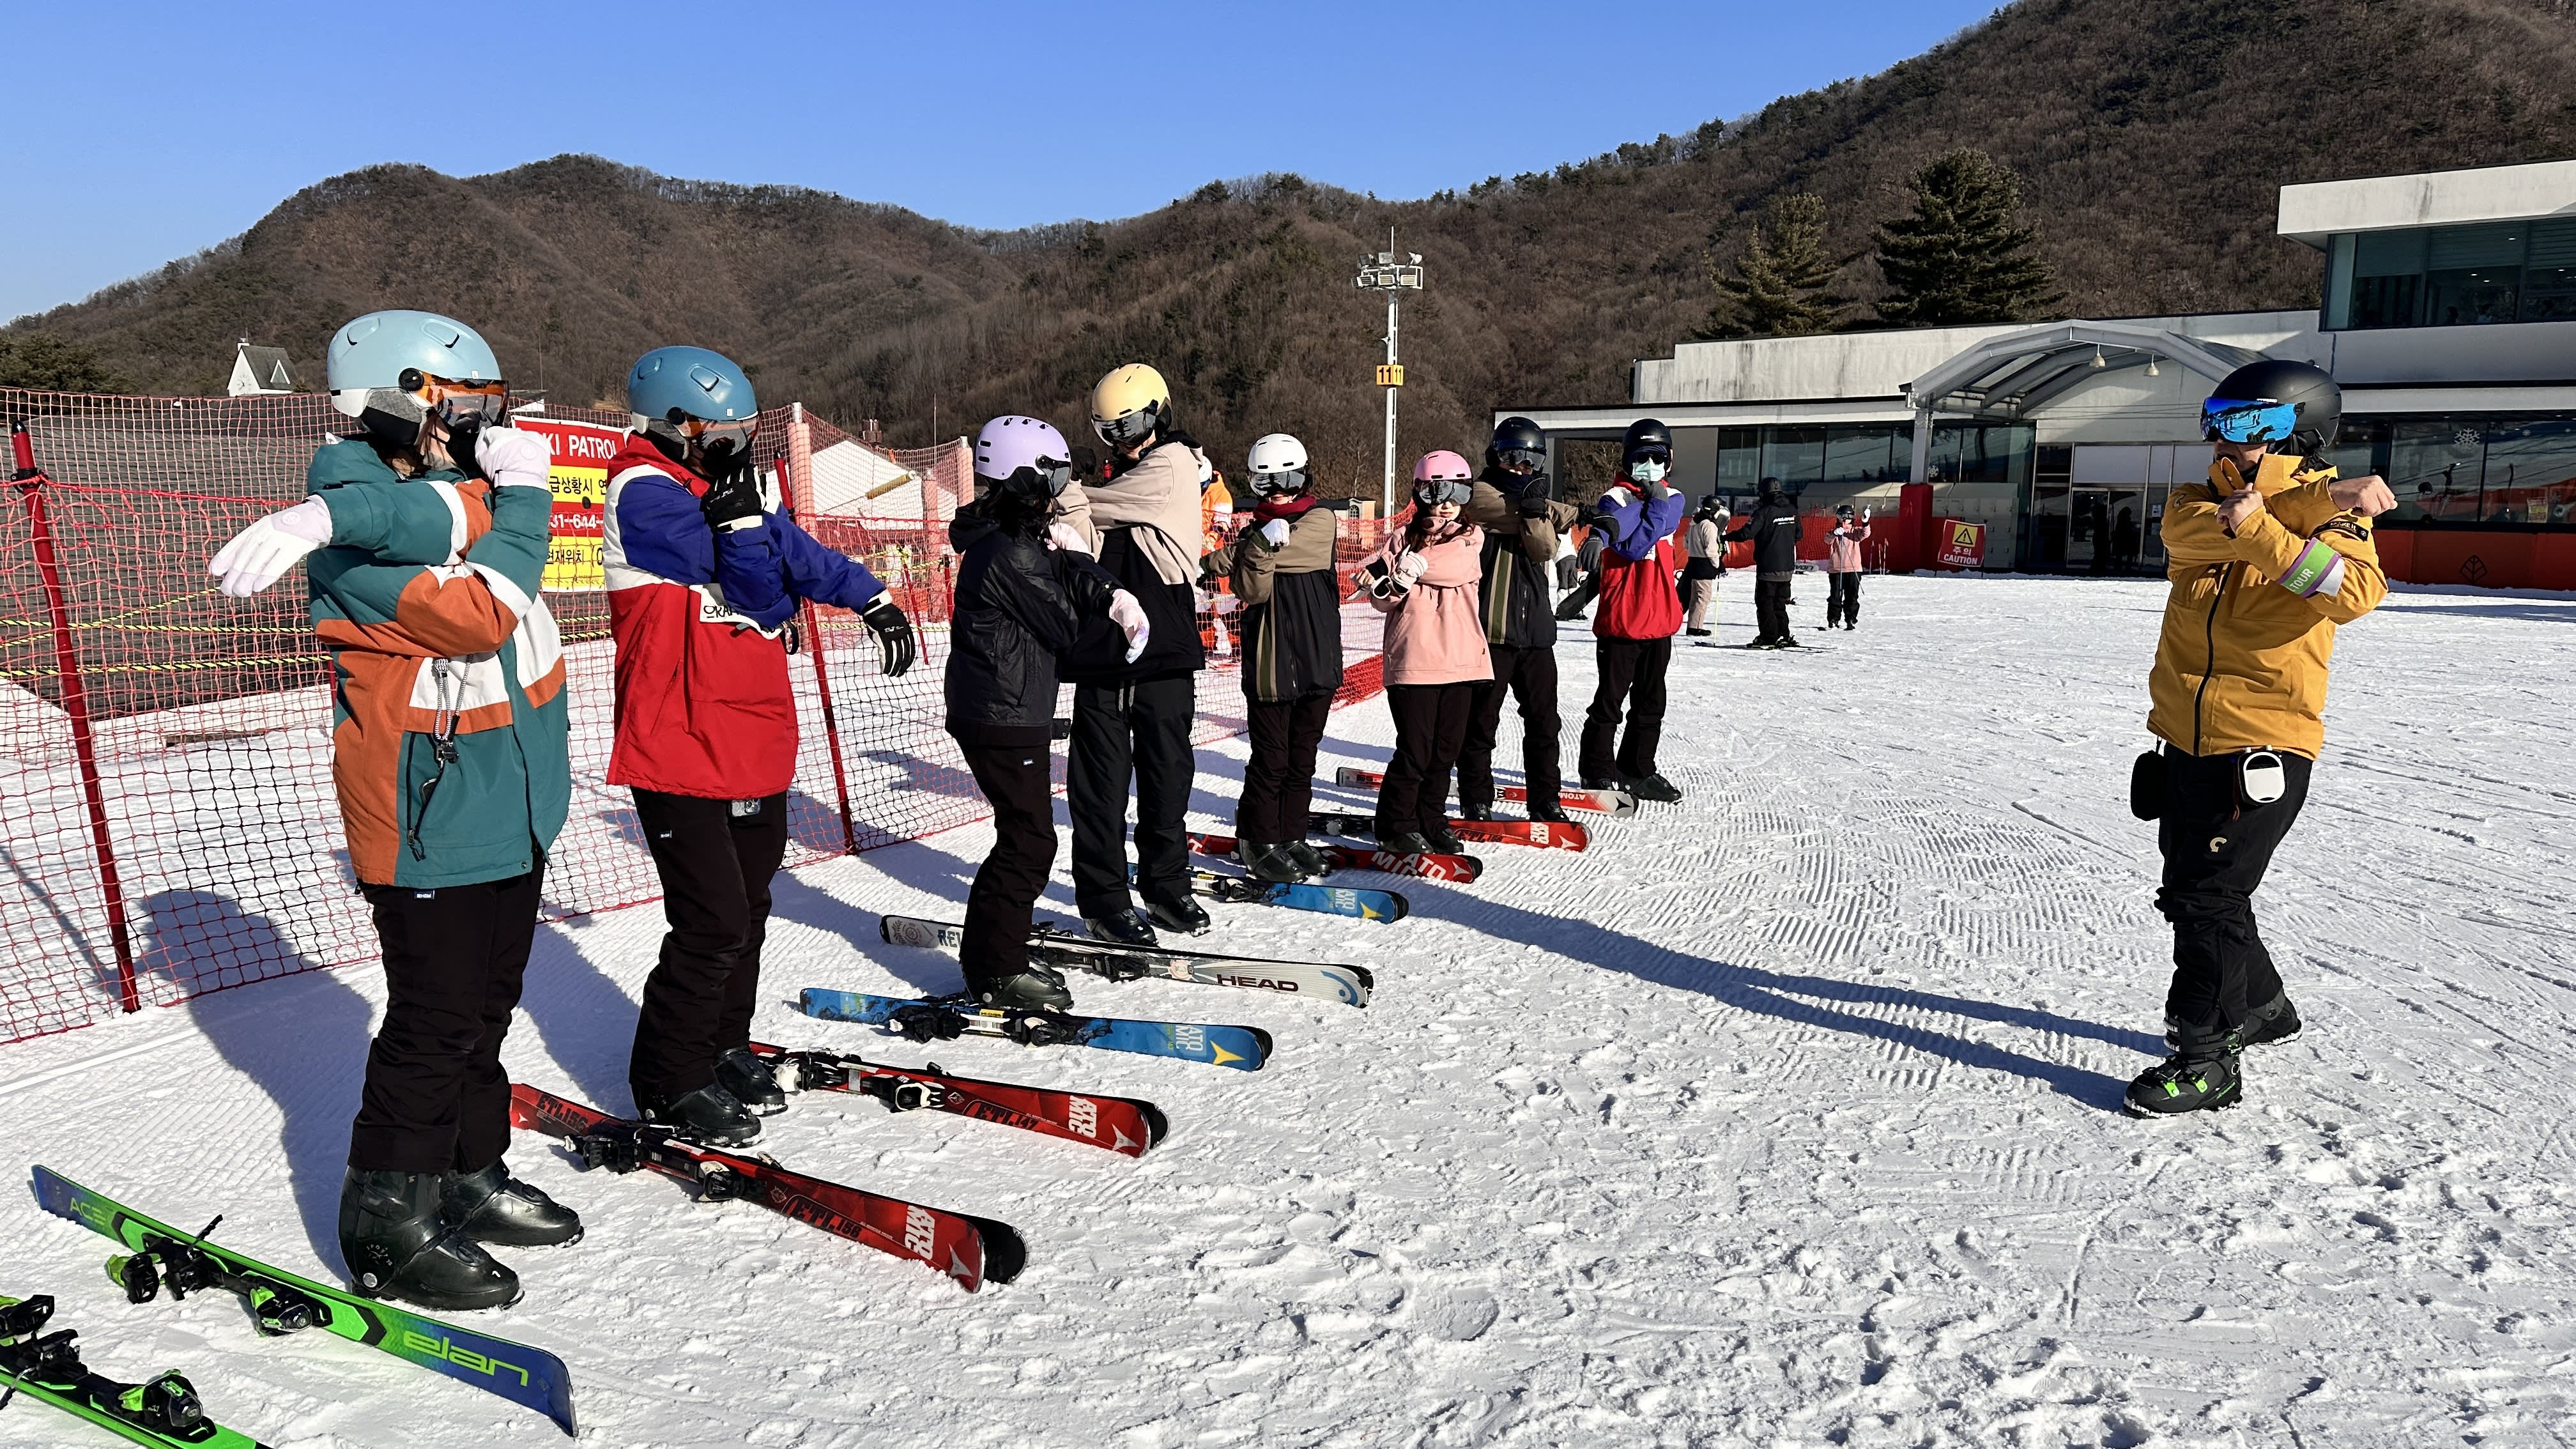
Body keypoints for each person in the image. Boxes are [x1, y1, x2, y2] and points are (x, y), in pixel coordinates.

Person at [208, 310, 576, 1311]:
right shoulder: (352, 520)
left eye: (483, 409)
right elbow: (478, 614)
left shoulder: (438, 500)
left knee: (487, 1011)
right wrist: (526, 502)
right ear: (389, 398)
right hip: (430, 815)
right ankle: (387, 1220)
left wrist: (499, 496)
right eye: (454, 408)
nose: (471, 429)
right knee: (433, 1021)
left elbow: (447, 519)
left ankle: (468, 1171)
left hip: (511, 803)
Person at [601, 345, 917, 1146]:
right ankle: (670, 1080)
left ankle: (722, 1045)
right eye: (725, 430)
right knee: (709, 922)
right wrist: (749, 531)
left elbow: (797, 557)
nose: (738, 444)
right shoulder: (641, 494)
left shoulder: (720, 490)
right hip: (680, 744)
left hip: (749, 738)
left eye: (745, 430)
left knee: (749, 911)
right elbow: (756, 584)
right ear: (678, 425)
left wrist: (870, 597)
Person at [2128, 359, 2395, 1118]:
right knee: (2195, 893)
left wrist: (2271, 534)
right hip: (2185, 737)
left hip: (2263, 744)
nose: (2222, 436)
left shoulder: (2339, 522)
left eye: (2246, 423)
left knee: (2207, 898)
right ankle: (2265, 1006)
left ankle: (2208, 1058)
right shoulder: (2204, 499)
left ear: (2299, 429)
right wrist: (2304, 501)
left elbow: (2353, 593)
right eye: (2217, 417)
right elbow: (2184, 532)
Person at [945, 416, 1145, 1007]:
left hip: (1006, 709)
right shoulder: (1010, 551)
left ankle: (997, 952)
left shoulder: (1013, 537)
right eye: (1052, 473)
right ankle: (995, 968)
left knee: (1025, 837)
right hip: (1000, 714)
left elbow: (1057, 594)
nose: (1060, 485)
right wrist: (1079, 565)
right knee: (1029, 842)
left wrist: (1079, 569)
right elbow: (1064, 626)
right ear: (1022, 476)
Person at [1052, 364, 1211, 944]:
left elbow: (1098, 507)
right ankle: (1105, 898)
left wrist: (1061, 491)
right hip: (1102, 652)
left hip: (1163, 648)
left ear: (1159, 413)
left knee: (1167, 777)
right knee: (1100, 787)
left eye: (1133, 425)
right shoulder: (1124, 476)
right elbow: (1083, 534)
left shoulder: (1172, 463)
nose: (1123, 440)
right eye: (1109, 430)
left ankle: (1167, 886)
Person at [1199, 433, 1343, 880]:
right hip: (1270, 662)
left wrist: (1240, 553)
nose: (1277, 490)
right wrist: (1257, 548)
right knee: (1271, 759)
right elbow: (1252, 589)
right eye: (1266, 483)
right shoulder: (1255, 533)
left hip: (1316, 658)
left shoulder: (1321, 518)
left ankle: (1291, 834)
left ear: (1303, 477)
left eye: (1286, 479)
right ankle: (1259, 838)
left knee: (1303, 759)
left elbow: (1300, 554)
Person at [1363, 452, 1492, 854]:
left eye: (1459, 490)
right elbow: (1379, 596)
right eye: (1439, 490)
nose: (1448, 500)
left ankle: (1432, 818)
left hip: (1460, 659)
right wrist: (1395, 575)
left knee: (1445, 751)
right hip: (1414, 659)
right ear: (1421, 493)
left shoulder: (1471, 537)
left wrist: (1410, 568)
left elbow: (1457, 566)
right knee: (1416, 749)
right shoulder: (1400, 539)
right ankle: (1396, 821)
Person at [1459, 415, 1580, 824]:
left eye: (1530, 461)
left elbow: (1544, 547)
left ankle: (1545, 798)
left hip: (1536, 631)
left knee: (1545, 723)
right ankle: (1475, 797)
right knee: (1480, 722)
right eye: (1513, 457)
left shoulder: (1531, 498)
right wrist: (1546, 510)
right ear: (1496, 456)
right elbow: (1493, 512)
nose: (1521, 468)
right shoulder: (1477, 492)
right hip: (1490, 629)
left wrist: (1543, 513)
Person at [1577, 419, 1689, 802]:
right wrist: (1602, 532)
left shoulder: (1675, 499)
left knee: (1650, 703)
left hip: (1659, 621)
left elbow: (1650, 529)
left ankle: (1637, 769)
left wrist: (1652, 506)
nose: (1650, 465)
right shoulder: (1615, 498)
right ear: (1627, 461)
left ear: (1669, 461)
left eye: (1657, 458)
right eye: (1641, 458)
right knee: (1609, 702)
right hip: (1622, 621)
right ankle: (1597, 772)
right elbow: (1629, 545)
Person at [1730, 477, 1803, 647]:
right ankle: (1783, 635)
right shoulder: (1792, 510)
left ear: (1763, 493)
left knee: (1765, 603)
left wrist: (1727, 536)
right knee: (1780, 603)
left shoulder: (1765, 511)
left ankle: (1769, 637)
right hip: (1787, 567)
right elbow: (1799, 535)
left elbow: (1747, 533)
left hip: (1769, 566)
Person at [1682, 496, 1728, 636]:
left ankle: (1693, 625)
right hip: (1704, 565)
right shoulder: (1709, 525)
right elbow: (1711, 549)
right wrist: (1718, 564)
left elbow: (1686, 544)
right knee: (1703, 597)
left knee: (1695, 596)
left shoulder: (1694, 523)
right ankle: (1695, 628)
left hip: (1693, 562)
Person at [1824, 503, 1871, 629]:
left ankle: (1851, 619)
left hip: (1853, 569)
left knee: (1852, 596)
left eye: (1847, 517)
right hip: (1836, 570)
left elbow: (1865, 534)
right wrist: (1834, 533)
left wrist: (1865, 522)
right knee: (1835, 596)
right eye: (1841, 517)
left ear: (1852, 518)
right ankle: (1833, 619)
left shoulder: (1855, 532)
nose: (1844, 520)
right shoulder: (1834, 532)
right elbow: (1827, 539)